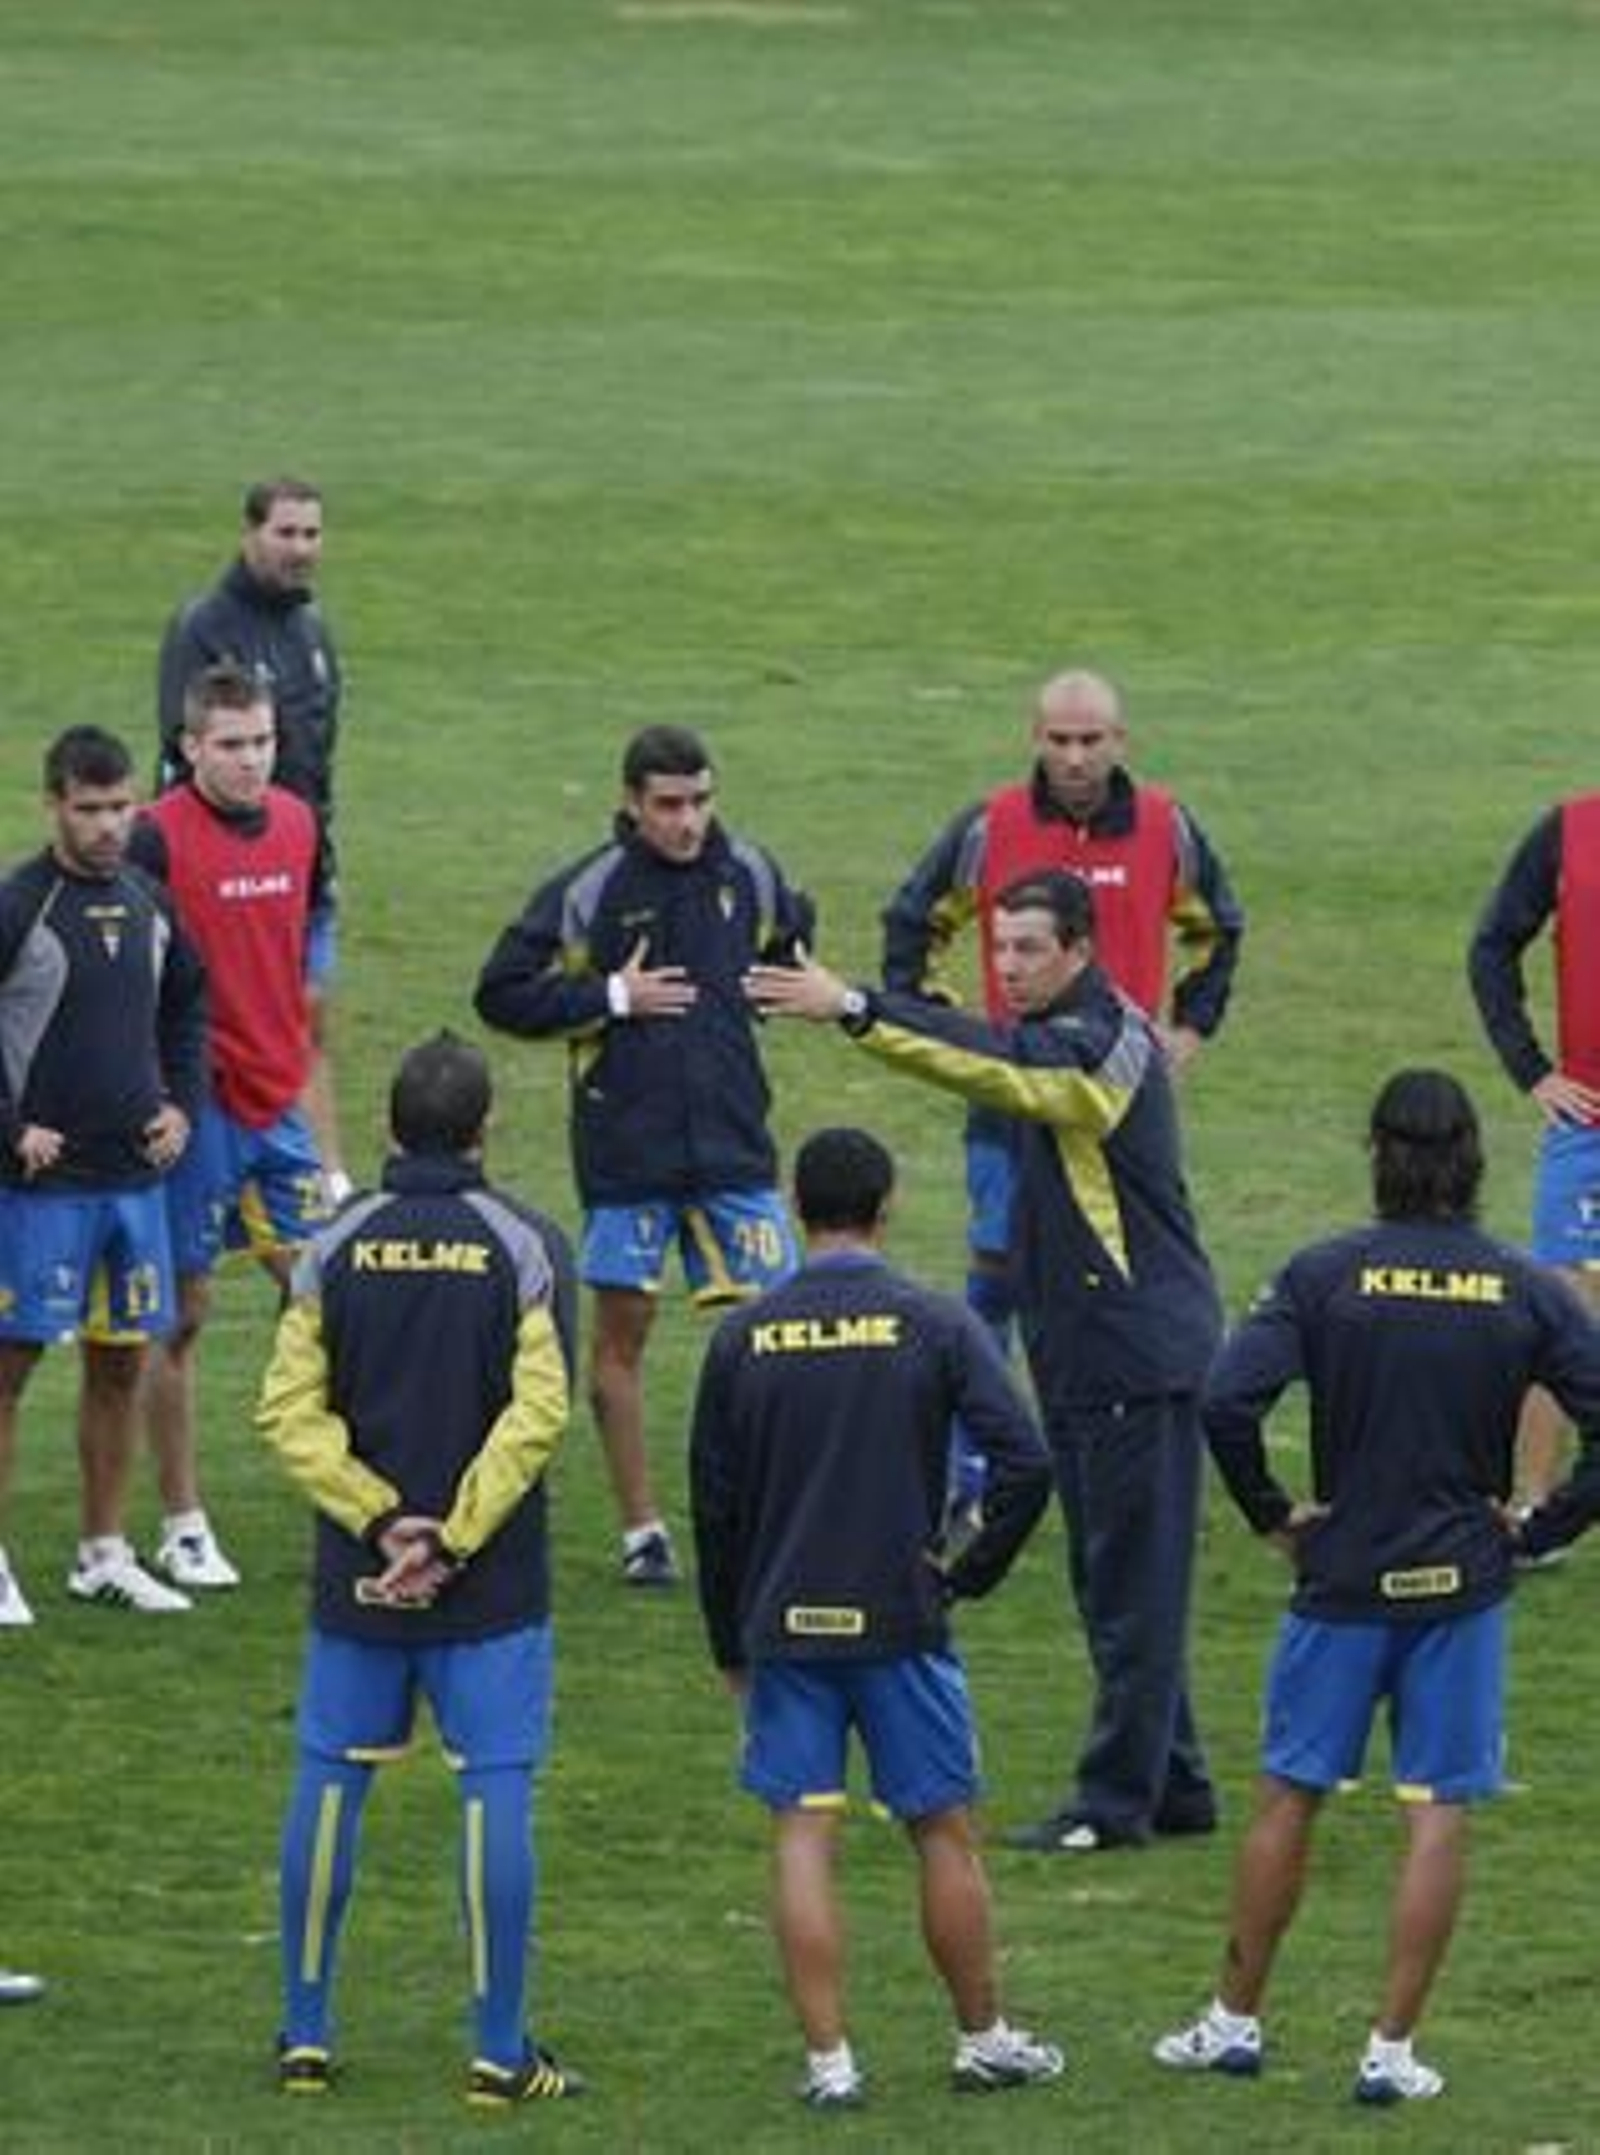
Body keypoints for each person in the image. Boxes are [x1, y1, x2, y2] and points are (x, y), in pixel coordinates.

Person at [749, 869, 1222, 1853]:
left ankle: (1111, 1804)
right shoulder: (1084, 1025)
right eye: (997, 949)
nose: (1005, 967)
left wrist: (855, 1008)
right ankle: (1171, 1782)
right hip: (1103, 1346)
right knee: (1117, 1577)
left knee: (1128, 1585)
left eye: (1027, 950)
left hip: (1132, 1350)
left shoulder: (1093, 1049)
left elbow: (996, 1066)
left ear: (1079, 951)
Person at [1154, 1070, 1600, 2105]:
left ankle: (1232, 2021)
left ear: (1376, 1152)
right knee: (1436, 1810)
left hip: (1342, 1575)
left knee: (1290, 1792)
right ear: (1472, 1159)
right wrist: (1536, 1530)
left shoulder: (1322, 1275)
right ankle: (1390, 2050)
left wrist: (1274, 1514)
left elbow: (1225, 1399)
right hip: (1461, 1584)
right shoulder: (1522, 1285)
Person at [689, 1126, 1061, 2109]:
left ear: (790, 1204)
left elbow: (715, 1510)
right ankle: (981, 2037)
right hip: (901, 1619)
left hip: (785, 1628)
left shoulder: (742, 1336)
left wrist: (731, 1641)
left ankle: (830, 2064)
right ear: (886, 1204)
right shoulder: (933, 1322)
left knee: (802, 1833)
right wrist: (964, 1573)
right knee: (941, 1830)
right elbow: (1025, 1460)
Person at [257, 1033, 584, 2105]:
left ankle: (303, 2035)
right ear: (485, 1130)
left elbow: (288, 1414)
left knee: (330, 1787)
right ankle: (500, 2050)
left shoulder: (331, 1243)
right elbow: (539, 1414)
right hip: (487, 1586)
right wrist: (451, 1532)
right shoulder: (527, 1244)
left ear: (392, 1130)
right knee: (494, 1798)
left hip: (359, 1579)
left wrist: (382, 1520)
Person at [882, 668, 1242, 1503]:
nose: (1075, 757)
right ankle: (973, 1468)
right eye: (1059, 740)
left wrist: (1189, 1028)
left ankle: (1117, 1444)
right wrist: (957, 1025)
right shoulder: (991, 827)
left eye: (1091, 741)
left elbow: (1216, 928)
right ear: (1034, 739)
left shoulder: (1165, 828)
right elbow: (913, 922)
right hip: (1014, 1094)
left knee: (1131, 1266)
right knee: (1000, 1260)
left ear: (1121, 742)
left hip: (1124, 1103)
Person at [476, 724, 813, 1587]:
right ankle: (644, 1531)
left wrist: (766, 999)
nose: (689, 821)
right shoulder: (593, 889)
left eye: (701, 800)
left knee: (787, 1335)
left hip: (737, 1147)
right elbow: (502, 990)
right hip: (628, 1155)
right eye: (669, 804)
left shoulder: (752, 874)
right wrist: (612, 995)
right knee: (622, 1341)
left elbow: (792, 941)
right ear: (631, 803)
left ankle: (778, 1510)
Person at [129, 661, 330, 1592]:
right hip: (197, 1105)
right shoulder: (153, 841)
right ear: (189, 747)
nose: (252, 762)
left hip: (276, 1101)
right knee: (184, 1313)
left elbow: (302, 948)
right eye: (233, 745)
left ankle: (353, 1487)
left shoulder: (298, 822)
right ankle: (182, 1521)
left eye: (263, 743)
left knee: (327, 1293)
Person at [0, 727, 206, 1624]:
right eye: (89, 810)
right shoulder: (19, 907)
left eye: (120, 807)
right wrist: (10, 1128)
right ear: (54, 806)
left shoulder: (152, 903)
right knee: (9, 1372)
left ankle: (103, 1549)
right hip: (37, 1191)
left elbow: (188, 1007)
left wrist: (181, 1103)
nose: (108, 826)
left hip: (133, 1180)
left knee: (120, 1363)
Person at [157, 476, 348, 1196]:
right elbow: (180, 754)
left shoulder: (313, 630)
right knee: (228, 1027)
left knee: (304, 1018)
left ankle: (324, 1173)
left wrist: (318, 856)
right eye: (287, 532)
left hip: (303, 864)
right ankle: (218, 1167)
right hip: (224, 871)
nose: (301, 549)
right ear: (250, 533)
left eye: (312, 534)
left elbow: (320, 760)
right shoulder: (204, 626)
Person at [1469, 795, 1600, 1521]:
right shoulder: (1570, 831)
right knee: (1561, 1312)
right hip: (1590, 1122)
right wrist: (1532, 1068)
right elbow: (1492, 945)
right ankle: (1532, 1503)